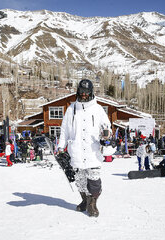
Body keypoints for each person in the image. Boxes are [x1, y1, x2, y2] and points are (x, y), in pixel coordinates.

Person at [58, 79, 111, 217]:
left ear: (91, 92)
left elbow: (107, 127)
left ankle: (92, 204)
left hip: (93, 151)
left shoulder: (98, 109)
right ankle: (84, 200)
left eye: (87, 92)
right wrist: (60, 146)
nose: (84, 95)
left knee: (94, 181)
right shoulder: (71, 109)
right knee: (80, 181)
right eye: (81, 92)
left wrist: (106, 134)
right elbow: (64, 131)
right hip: (76, 152)